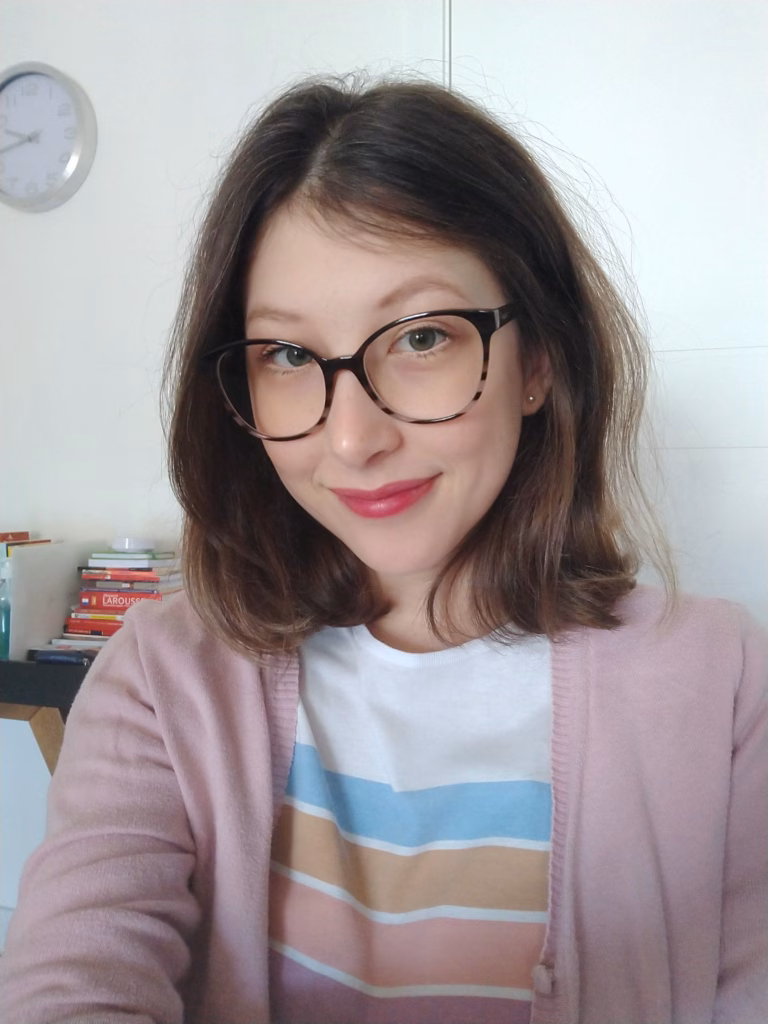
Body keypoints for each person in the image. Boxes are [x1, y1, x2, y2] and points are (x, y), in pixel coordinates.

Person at [1, 74, 766, 1024]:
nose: (353, 438)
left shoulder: (724, 685)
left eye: (422, 337)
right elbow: (73, 979)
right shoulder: (163, 680)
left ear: (538, 360)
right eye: (287, 356)